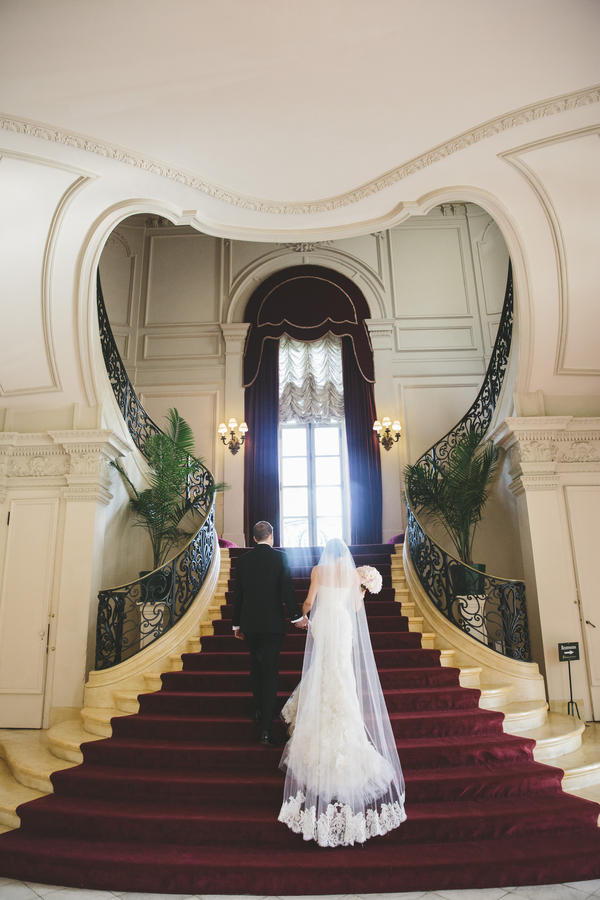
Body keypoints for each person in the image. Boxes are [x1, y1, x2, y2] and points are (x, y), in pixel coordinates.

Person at [278, 538, 406, 847]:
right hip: (342, 622)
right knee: (339, 668)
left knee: (323, 664)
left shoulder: (318, 569)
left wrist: (303, 616)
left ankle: (310, 711)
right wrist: (362, 588)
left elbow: (309, 602)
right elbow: (357, 606)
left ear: (326, 553)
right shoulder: (351, 574)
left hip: (324, 621)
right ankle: (342, 715)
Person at [232, 521, 308, 747]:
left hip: (250, 624)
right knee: (270, 672)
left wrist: (236, 624)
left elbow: (238, 595)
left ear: (254, 538)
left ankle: (258, 710)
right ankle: (266, 729)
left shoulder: (243, 560)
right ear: (271, 536)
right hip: (273, 625)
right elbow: (287, 589)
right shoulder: (280, 558)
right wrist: (297, 618)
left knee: (255, 665)